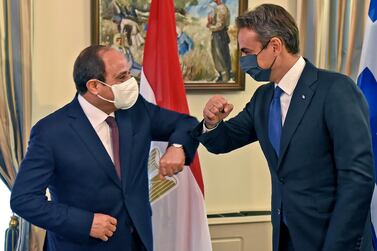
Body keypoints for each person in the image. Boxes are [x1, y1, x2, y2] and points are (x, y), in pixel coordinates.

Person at [193, 4, 375, 251]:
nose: (243, 60)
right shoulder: (264, 98)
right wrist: (212, 122)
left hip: (332, 240)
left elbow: (358, 179)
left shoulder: (336, 90)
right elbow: (223, 141)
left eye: (247, 51)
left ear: (275, 46)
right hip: (285, 238)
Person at [10, 45, 199, 251]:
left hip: (137, 243)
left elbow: (186, 124)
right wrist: (84, 222)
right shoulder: (51, 132)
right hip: (81, 245)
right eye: (121, 77)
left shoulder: (136, 111)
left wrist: (177, 147)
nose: (130, 82)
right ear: (94, 86)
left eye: (129, 73)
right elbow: (24, 200)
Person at [207, 0, 232, 82]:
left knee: (220, 55)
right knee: (217, 54)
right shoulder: (218, 8)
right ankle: (222, 75)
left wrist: (210, 26)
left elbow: (220, 25)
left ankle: (225, 76)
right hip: (218, 34)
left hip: (219, 35)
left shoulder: (221, 8)